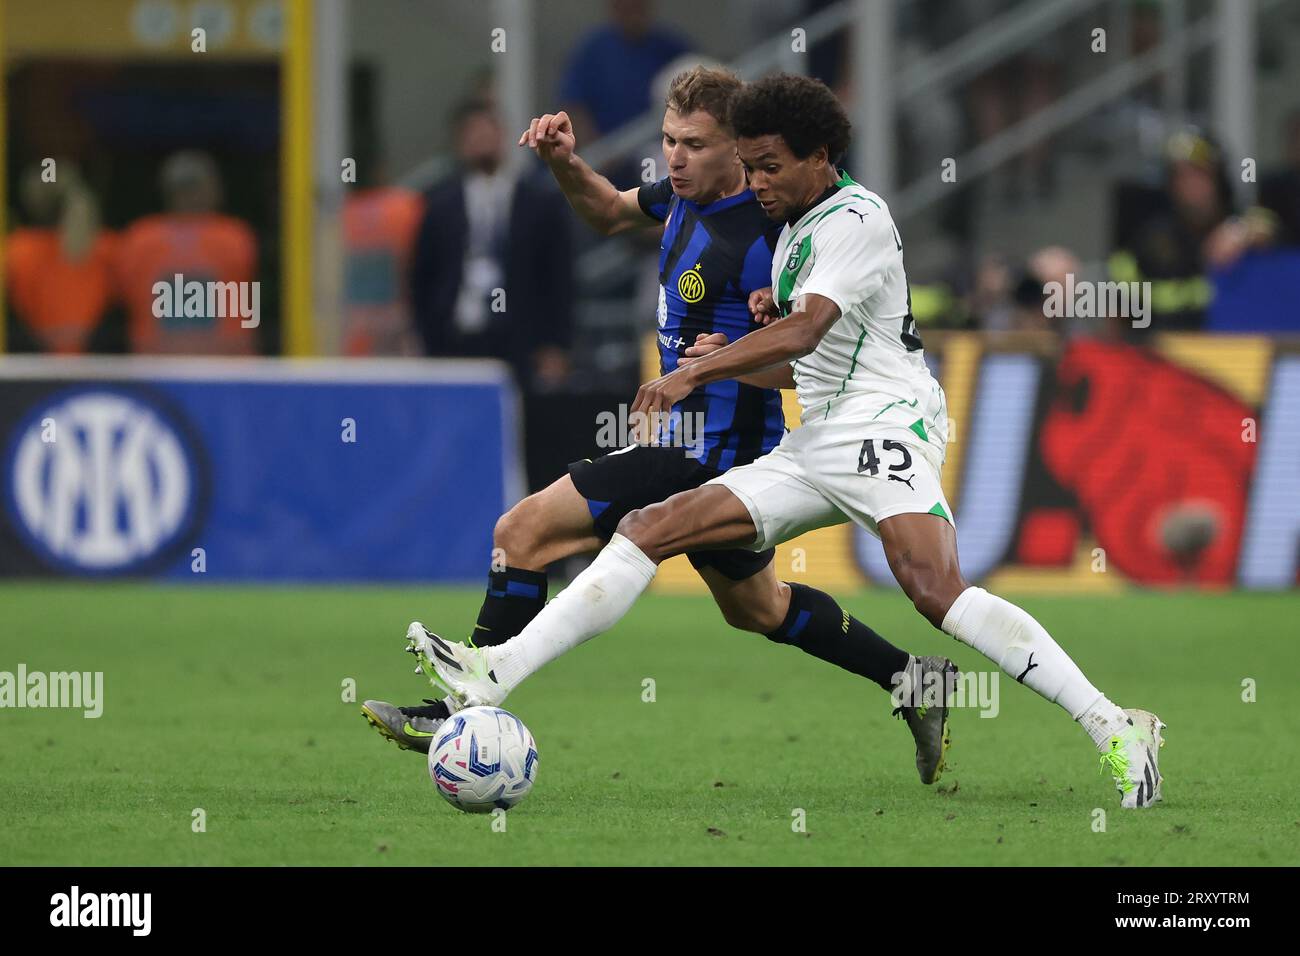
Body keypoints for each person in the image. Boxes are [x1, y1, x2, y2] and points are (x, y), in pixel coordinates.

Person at [413, 74, 1166, 810]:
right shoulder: (793, 229)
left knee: (935, 590)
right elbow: (795, 359)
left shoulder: (855, 218)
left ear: (820, 156)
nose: (757, 179)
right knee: (656, 532)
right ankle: (496, 671)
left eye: (769, 165)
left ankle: (1114, 724)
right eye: (749, 163)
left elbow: (810, 328)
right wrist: (752, 342)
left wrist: (695, 370)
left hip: (885, 422)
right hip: (820, 434)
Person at [365, 67, 956, 786]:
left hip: (714, 449)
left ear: (737, 151)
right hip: (691, 442)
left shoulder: (773, 240)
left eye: (694, 144)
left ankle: (457, 705)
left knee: (522, 533)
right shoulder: (680, 198)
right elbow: (610, 213)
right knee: (759, 607)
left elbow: (805, 362)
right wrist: (563, 163)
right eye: (669, 141)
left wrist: (718, 368)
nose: (674, 158)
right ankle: (913, 680)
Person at [116, 151, 258, 355]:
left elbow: (123, 292)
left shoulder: (139, 238)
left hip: (153, 371)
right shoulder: (233, 237)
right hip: (226, 369)